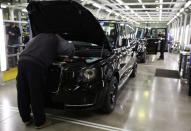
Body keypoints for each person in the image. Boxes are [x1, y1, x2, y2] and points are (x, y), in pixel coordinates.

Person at [16, 33, 75, 129]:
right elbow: (68, 49)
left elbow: (29, 46)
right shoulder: (56, 37)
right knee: (36, 93)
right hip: (36, 64)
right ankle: (40, 122)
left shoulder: (38, 36)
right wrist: (71, 53)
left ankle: (26, 118)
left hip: (22, 60)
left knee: (23, 91)